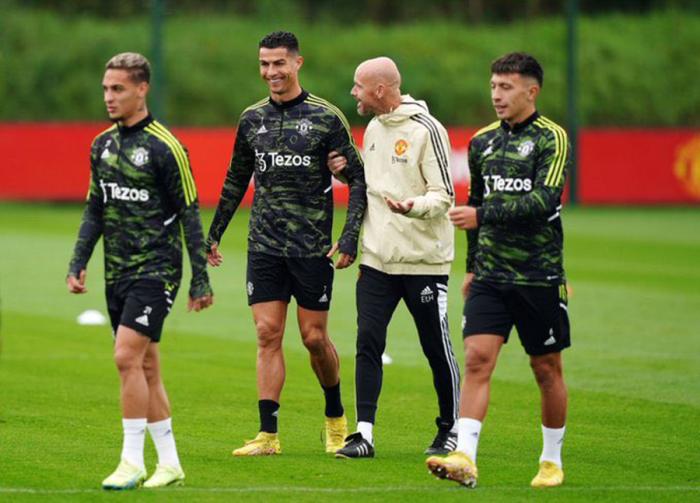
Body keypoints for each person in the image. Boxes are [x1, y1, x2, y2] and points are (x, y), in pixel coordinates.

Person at [206, 31, 366, 456]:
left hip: (312, 249)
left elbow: (357, 179)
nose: (271, 71)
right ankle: (267, 435)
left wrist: (349, 236)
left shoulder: (326, 117)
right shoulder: (251, 119)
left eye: (279, 63)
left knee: (314, 338)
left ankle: (335, 418)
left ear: (297, 63)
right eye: (264, 64)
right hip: (264, 246)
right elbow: (236, 178)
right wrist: (215, 232)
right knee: (266, 333)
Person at [67, 52, 213, 490]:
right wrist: (78, 260)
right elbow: (95, 208)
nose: (109, 97)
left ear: (142, 89)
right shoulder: (102, 146)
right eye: (106, 89)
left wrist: (199, 277)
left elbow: (189, 213)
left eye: (118, 89)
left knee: (125, 356)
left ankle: (131, 461)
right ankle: (170, 463)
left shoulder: (166, 147)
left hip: (157, 270)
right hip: (117, 272)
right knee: (146, 366)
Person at [426, 52, 571, 489]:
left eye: (506, 87)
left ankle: (551, 461)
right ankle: (465, 457)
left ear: (532, 91)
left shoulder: (552, 138)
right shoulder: (482, 142)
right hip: (490, 276)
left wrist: (483, 216)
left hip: (538, 275)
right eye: (493, 86)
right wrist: (472, 267)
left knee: (546, 369)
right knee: (477, 359)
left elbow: (545, 201)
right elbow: (475, 206)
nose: (496, 95)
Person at [327, 57, 460, 459]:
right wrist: (345, 173)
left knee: (435, 347)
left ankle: (451, 428)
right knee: (367, 342)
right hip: (377, 260)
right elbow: (371, 188)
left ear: (380, 90)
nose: (353, 93)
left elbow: (444, 195)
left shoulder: (426, 129)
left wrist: (412, 206)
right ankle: (363, 435)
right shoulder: (372, 128)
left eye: (358, 86)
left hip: (423, 261)